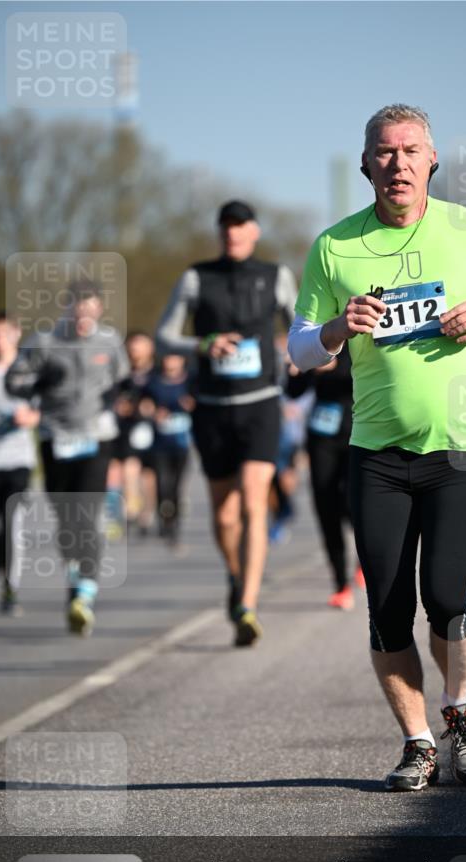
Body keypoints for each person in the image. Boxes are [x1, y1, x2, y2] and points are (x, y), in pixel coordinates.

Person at [289, 104, 466, 792]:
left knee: (448, 599)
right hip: (376, 455)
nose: (396, 163)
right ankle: (418, 742)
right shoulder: (334, 246)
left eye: (409, 150)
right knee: (388, 611)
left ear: (431, 161)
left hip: (457, 449)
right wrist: (337, 327)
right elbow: (298, 348)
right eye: (383, 152)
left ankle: (459, 709)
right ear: (366, 163)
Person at [156, 200, 297, 646]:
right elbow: (164, 338)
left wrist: (302, 356)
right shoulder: (196, 277)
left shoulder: (277, 276)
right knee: (224, 513)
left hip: (260, 405)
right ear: (219, 233)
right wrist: (204, 343)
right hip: (213, 408)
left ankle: (248, 604)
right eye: (226, 228)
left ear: (254, 231)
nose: (233, 235)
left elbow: (300, 328)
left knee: (255, 503)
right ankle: (237, 578)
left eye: (241, 227)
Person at [5, 279, 129, 636]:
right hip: (55, 437)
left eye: (90, 308)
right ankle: (74, 577)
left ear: (100, 308)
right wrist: (39, 385)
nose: (83, 315)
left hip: (96, 436)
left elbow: (122, 381)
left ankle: (85, 591)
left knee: (87, 513)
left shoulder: (109, 341)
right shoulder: (44, 341)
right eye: (78, 307)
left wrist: (119, 400)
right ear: (67, 307)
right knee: (65, 517)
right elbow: (15, 381)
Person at [286, 351, 365, 608]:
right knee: (325, 506)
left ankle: (365, 560)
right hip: (322, 437)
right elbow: (292, 391)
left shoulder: (359, 338)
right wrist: (308, 370)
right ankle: (340, 585)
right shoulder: (315, 342)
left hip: (360, 433)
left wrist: (336, 368)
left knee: (354, 506)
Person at [0, 311, 39, 615]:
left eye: (3, 332)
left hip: (18, 459)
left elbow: (46, 403)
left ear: (16, 333)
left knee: (13, 523)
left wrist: (32, 416)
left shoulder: (29, 370)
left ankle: (10, 590)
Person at [142, 353, 195, 547]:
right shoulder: (154, 382)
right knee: (162, 485)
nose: (170, 362)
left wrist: (191, 406)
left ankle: (175, 524)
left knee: (176, 487)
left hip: (182, 444)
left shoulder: (191, 381)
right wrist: (153, 412)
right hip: (159, 443)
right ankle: (164, 521)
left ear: (182, 360)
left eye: (174, 357)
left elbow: (200, 404)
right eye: (167, 357)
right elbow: (143, 404)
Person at [110, 331, 157, 536]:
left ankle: (148, 514)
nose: (136, 350)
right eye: (132, 346)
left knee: (149, 475)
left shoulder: (157, 373)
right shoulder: (121, 373)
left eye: (141, 345)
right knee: (129, 469)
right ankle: (130, 511)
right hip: (128, 429)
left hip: (156, 431)